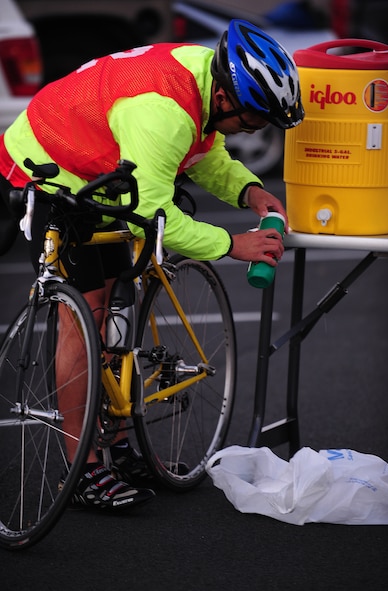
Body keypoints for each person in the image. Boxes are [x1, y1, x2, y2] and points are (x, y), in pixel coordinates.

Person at [0, 19, 304, 511]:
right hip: (49, 167)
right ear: (227, 99)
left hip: (104, 164)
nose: (257, 131)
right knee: (87, 313)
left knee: (125, 289)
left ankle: (116, 443)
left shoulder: (206, 76)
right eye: (254, 121)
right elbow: (151, 217)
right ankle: (83, 470)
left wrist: (250, 190)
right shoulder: (162, 112)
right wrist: (233, 243)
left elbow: (206, 152)